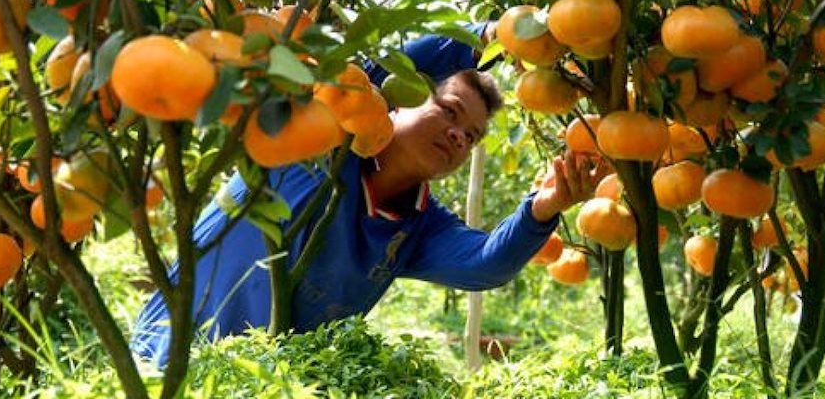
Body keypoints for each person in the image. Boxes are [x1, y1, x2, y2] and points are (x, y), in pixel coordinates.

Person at [131, 24, 605, 368]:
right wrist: (492, 37)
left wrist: (541, 209)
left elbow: (483, 263)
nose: (459, 135)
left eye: (473, 135)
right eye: (449, 111)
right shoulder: (319, 140)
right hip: (166, 358)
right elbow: (377, 70)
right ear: (398, 98)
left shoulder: (417, 228)